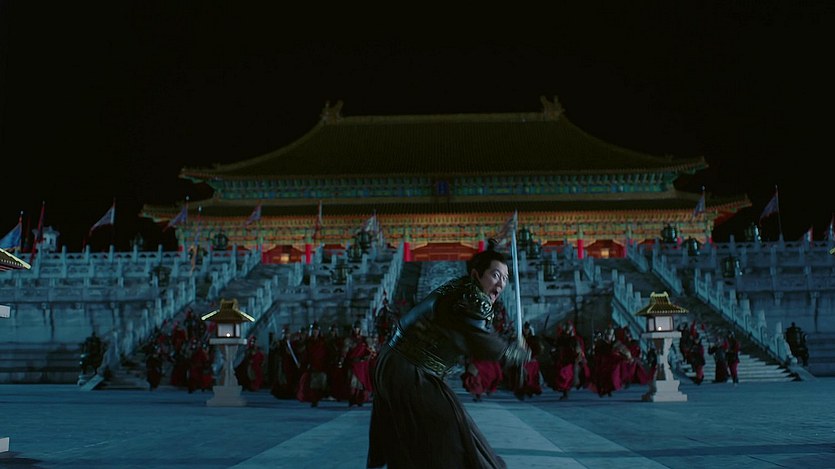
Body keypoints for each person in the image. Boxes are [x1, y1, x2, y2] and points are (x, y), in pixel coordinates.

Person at [367, 239, 530, 469]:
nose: (501, 284)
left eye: (505, 278)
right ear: (476, 274)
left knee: (410, 441)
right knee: (451, 432)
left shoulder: (458, 289)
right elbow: (482, 341)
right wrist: (515, 353)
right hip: (411, 370)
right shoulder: (473, 298)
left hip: (396, 363)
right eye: (495, 275)